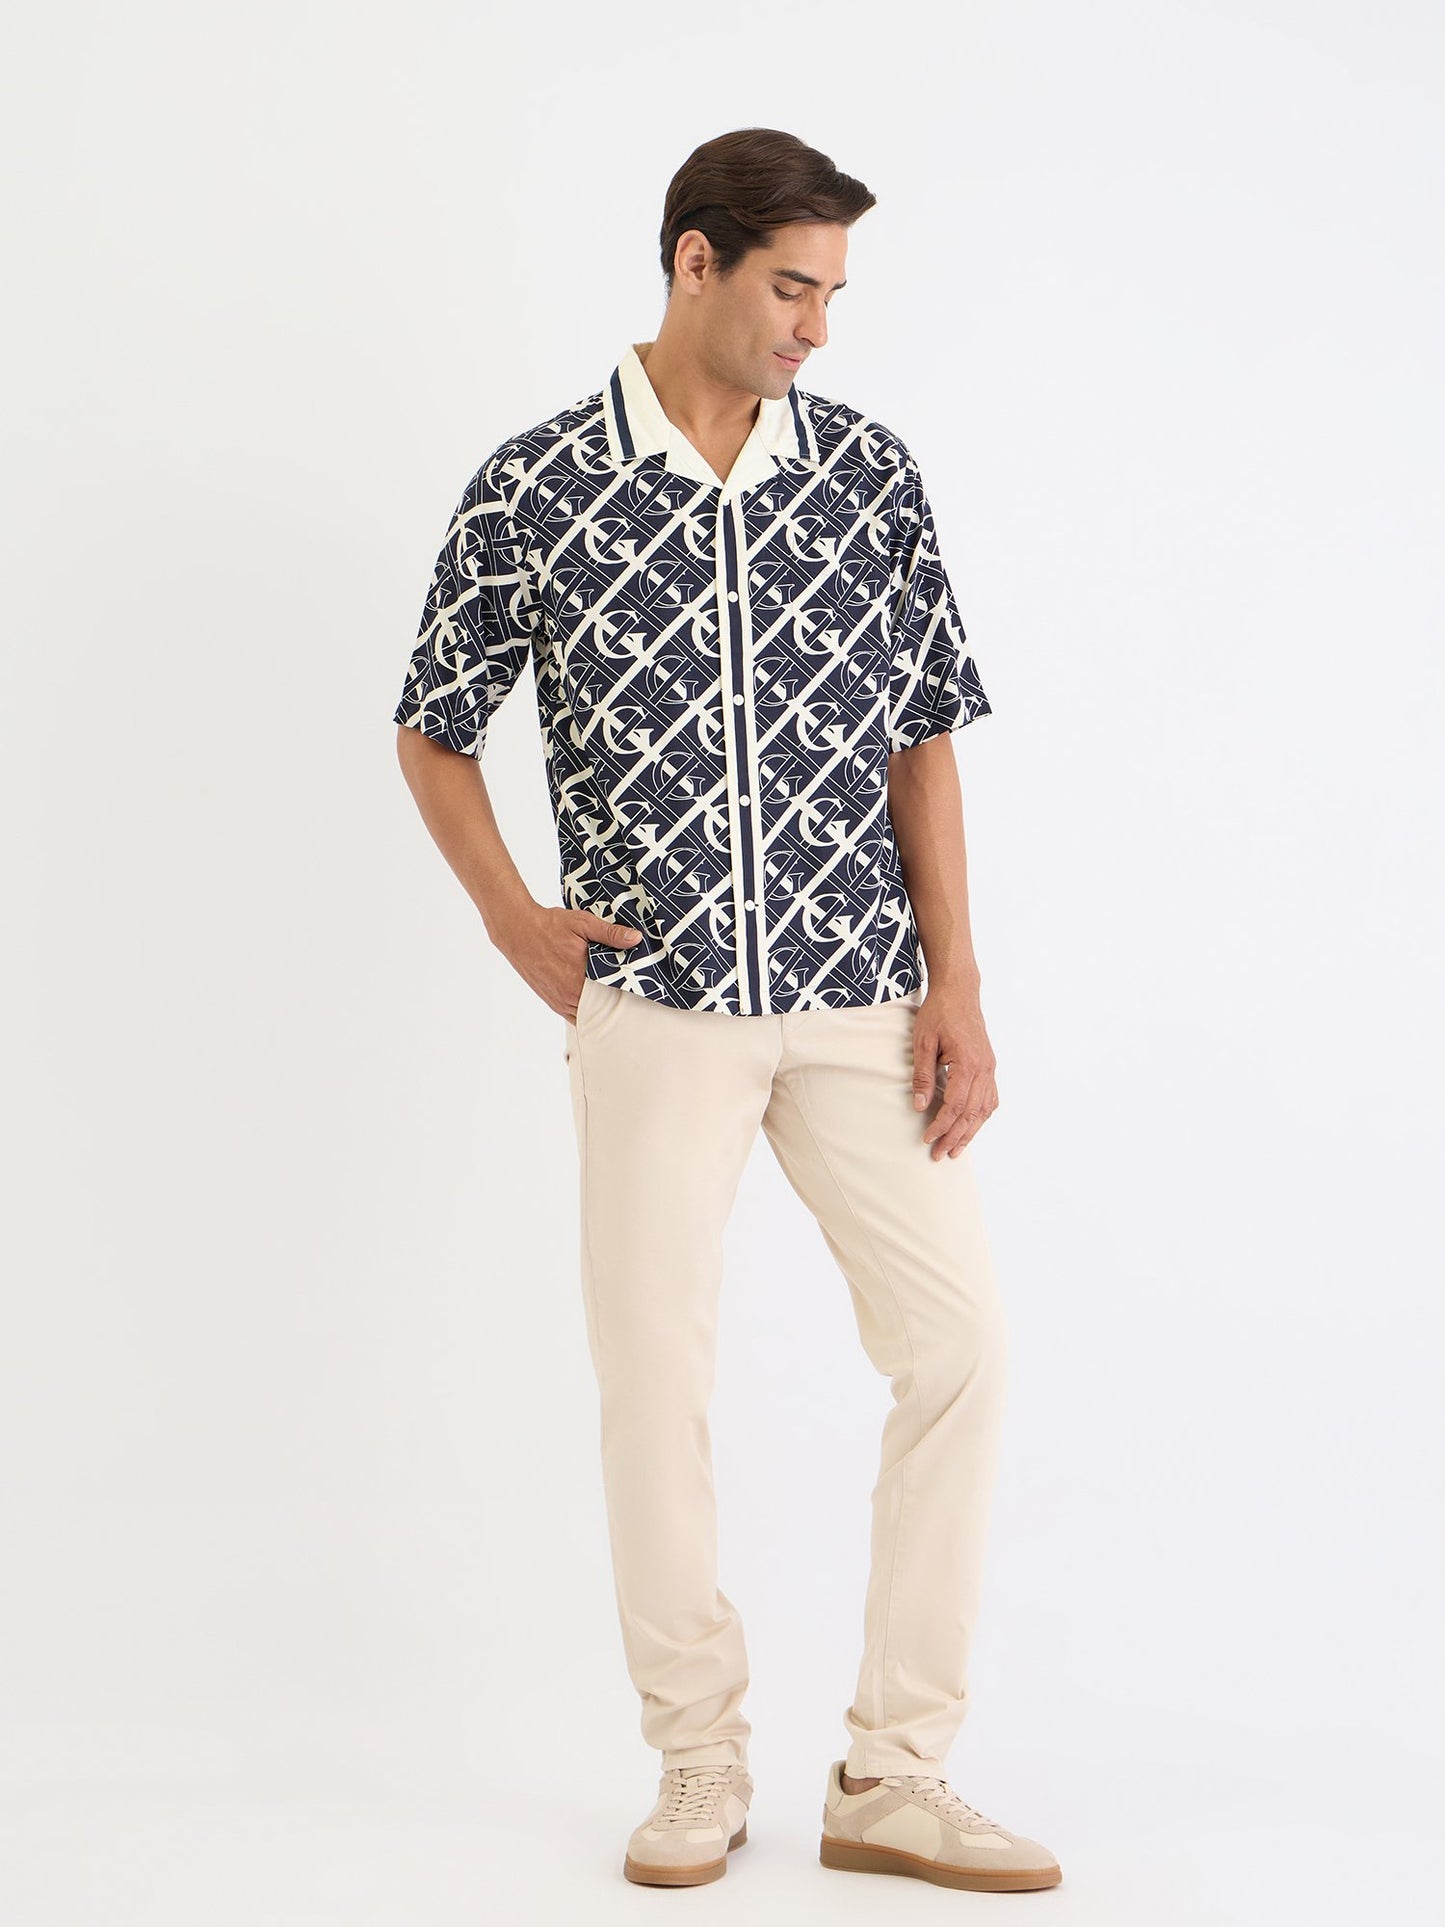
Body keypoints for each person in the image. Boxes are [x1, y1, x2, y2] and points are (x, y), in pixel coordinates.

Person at [391, 126, 1061, 1895]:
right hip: (656, 1002)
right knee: (654, 1378)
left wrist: (956, 982)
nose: (816, 327)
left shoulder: (867, 472)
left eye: (832, 294)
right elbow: (433, 726)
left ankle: (895, 1772)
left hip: (858, 993)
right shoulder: (536, 484)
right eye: (790, 287)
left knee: (960, 1347)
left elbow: (923, 733)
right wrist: (510, 916)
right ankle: (696, 1758)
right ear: (693, 260)